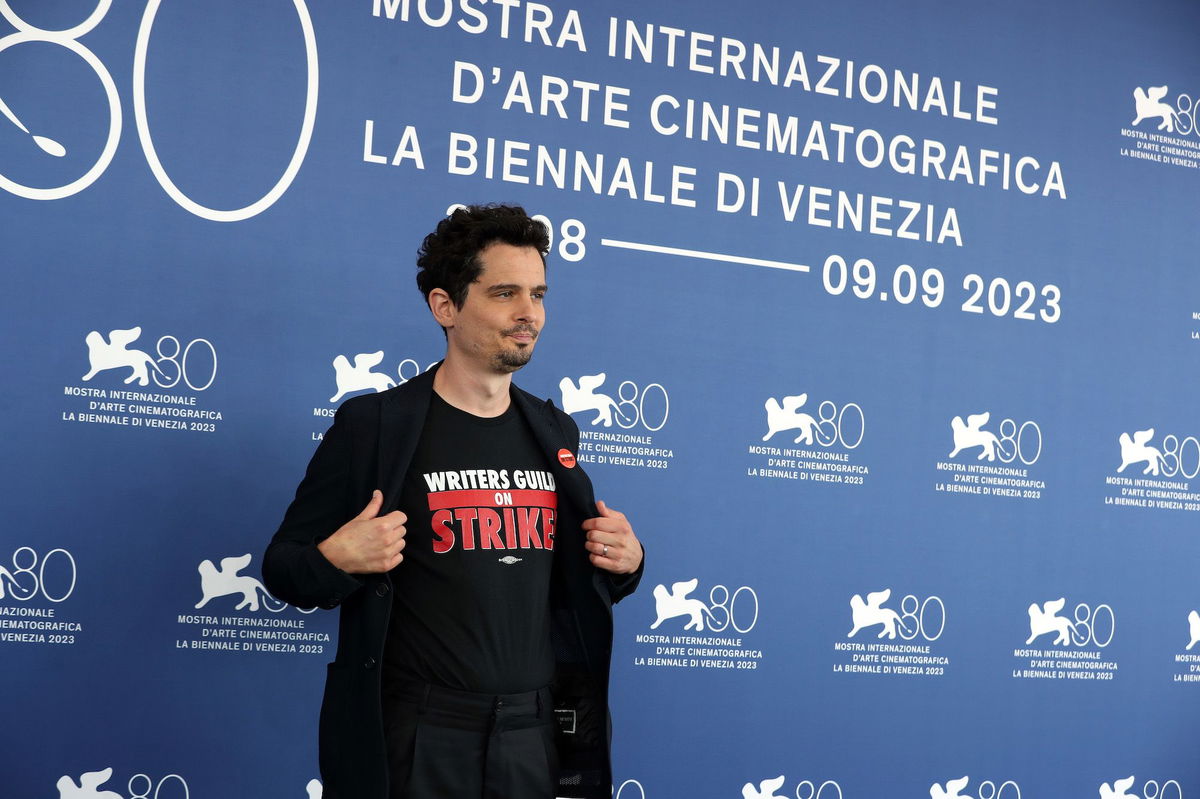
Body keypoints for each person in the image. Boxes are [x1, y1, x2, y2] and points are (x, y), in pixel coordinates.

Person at [263, 204, 644, 799]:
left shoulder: (554, 430)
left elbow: (577, 580)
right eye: (504, 293)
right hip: (419, 735)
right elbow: (284, 568)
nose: (529, 314)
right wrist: (336, 559)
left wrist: (626, 562)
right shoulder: (376, 427)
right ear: (446, 306)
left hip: (533, 731)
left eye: (538, 294)